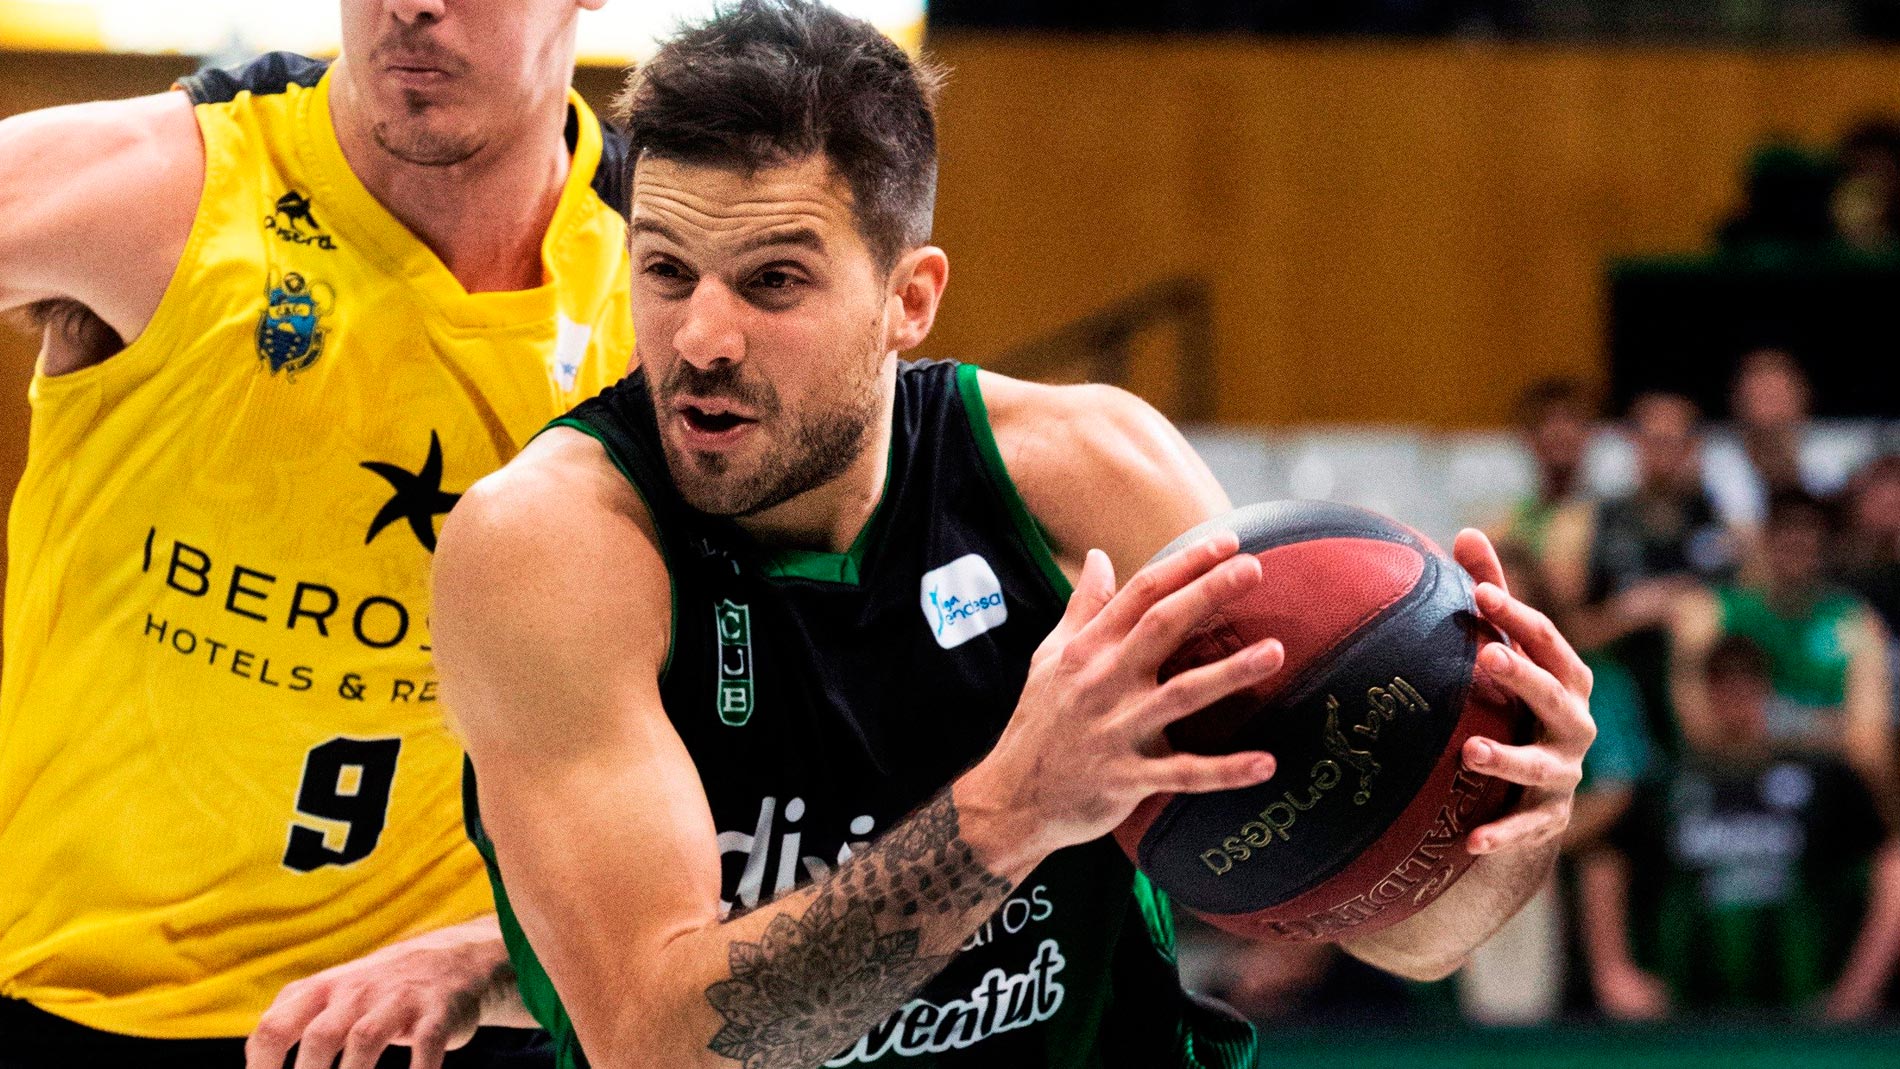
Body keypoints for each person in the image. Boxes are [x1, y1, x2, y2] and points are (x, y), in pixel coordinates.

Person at [433, 4, 1597, 1066]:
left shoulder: (1085, 475)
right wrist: (1015, 810)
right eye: (665, 271)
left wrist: (1508, 806)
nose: (701, 337)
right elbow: (658, 1047)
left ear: (910, 299)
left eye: (773, 281)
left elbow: (1408, 931)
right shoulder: (551, 545)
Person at [0, 1, 631, 1065]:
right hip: (96, 1007)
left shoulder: (668, 282)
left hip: (446, 1020)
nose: (412, 4)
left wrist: (497, 953)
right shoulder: (175, 185)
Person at [1580, 635, 1900, 1021]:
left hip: (1807, 1021)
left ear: (1768, 690)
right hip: (1684, 1024)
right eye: (1722, 683)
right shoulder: (1666, 785)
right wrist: (1613, 972)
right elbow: (1604, 861)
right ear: (1704, 693)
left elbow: (1892, 863)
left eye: (1748, 682)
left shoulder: (1825, 781)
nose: (1736, 698)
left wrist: (1859, 989)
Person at [1670, 492, 1895, 809]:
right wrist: (1828, 727)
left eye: (1809, 530)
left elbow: (1868, 743)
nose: (1797, 540)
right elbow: (1699, 728)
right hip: (1723, 794)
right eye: (1785, 528)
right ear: (1764, 536)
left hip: (1828, 800)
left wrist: (1760, 724)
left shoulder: (1856, 621)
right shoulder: (1710, 613)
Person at [1545, 390, 1739, 754]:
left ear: (1694, 447)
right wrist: (1625, 614)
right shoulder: (1592, 524)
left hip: (1703, 687)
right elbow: (1560, 633)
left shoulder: (1718, 525)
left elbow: (1753, 621)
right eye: (1653, 441)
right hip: (1616, 686)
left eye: (1674, 442)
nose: (1662, 453)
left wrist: (1687, 606)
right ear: (1632, 442)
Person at [1491, 377, 1591, 561]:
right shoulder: (1515, 521)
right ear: (1528, 438)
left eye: (1569, 420)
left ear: (1588, 434)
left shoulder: (1605, 517)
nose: (1559, 432)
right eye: (1546, 421)